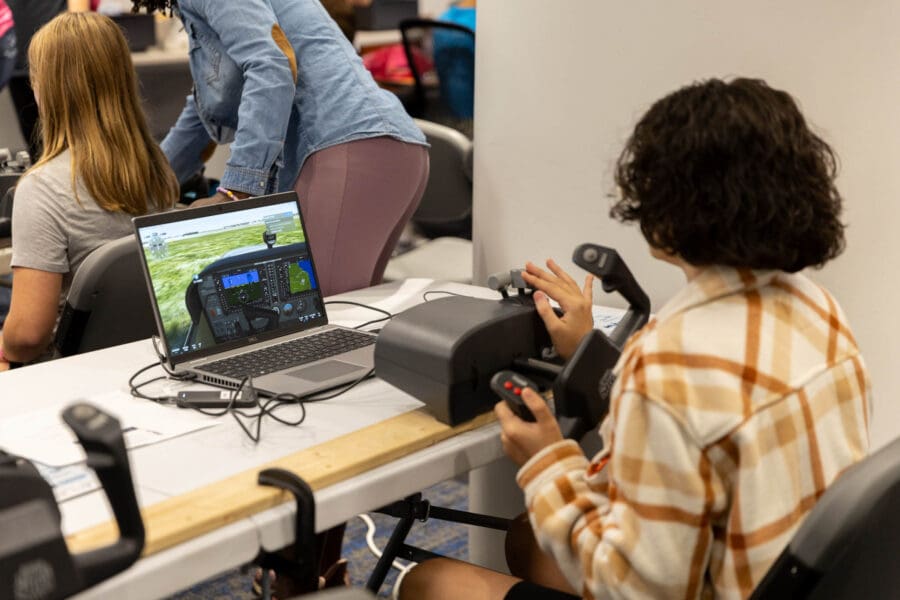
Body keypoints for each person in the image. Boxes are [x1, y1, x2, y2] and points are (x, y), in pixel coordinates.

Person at [399, 78, 871, 599]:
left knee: (433, 582)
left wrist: (546, 461)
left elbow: (636, 590)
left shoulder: (667, 363)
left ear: (664, 209)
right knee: (529, 537)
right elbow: (704, 428)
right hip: (788, 581)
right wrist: (594, 357)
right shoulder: (818, 309)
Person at [131, 0, 430, 298]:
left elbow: (271, 65)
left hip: (347, 149)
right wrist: (140, 190)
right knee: (354, 319)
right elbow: (207, 109)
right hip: (385, 148)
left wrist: (235, 192)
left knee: (319, 329)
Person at [0, 12, 178, 370]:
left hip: (62, 372)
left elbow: (27, 339)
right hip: (138, 359)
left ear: (48, 87)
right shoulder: (156, 168)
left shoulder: (42, 188)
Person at [6, 1, 94, 157]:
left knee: (78, 138)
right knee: (36, 145)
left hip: (60, 58)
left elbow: (79, 12)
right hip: (16, 57)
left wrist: (78, 47)